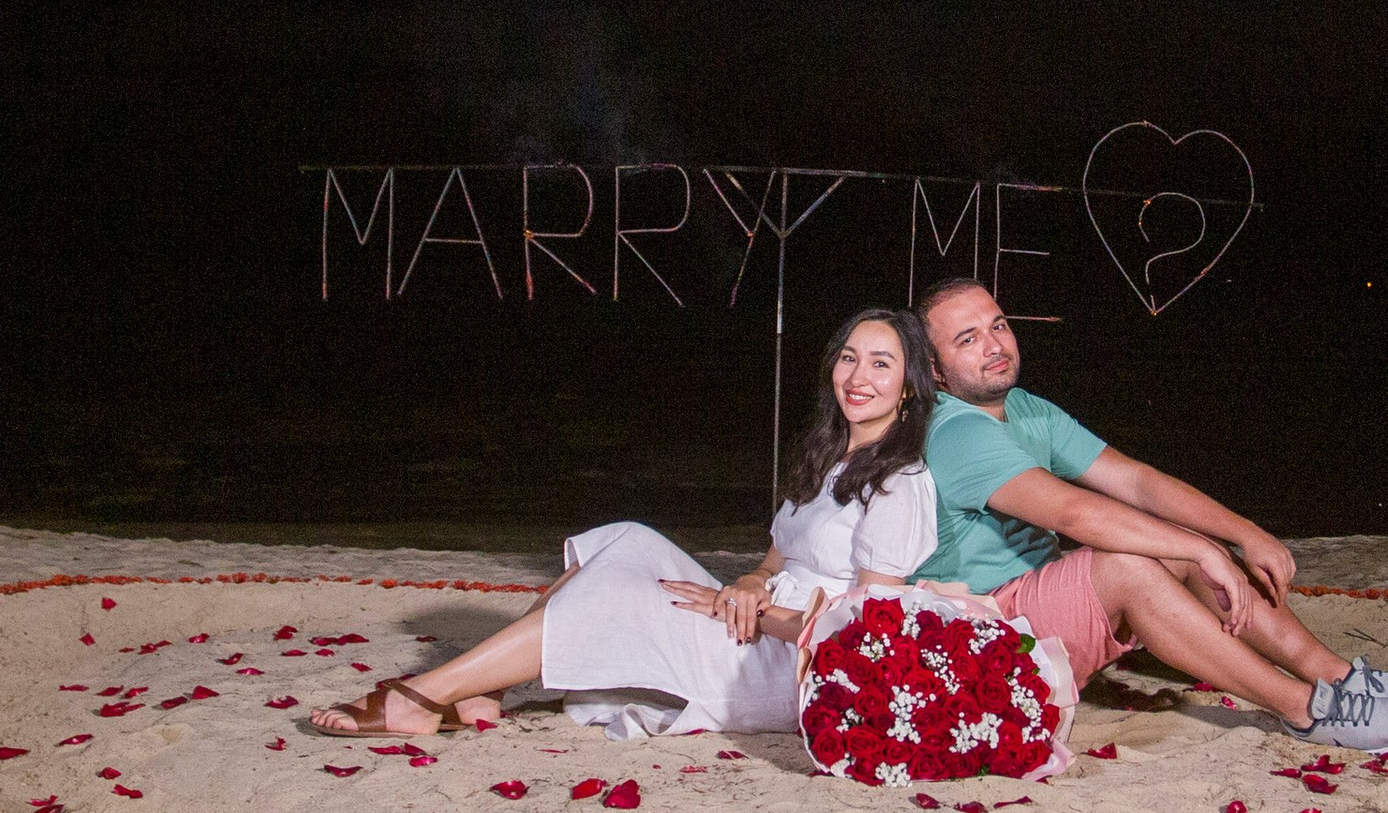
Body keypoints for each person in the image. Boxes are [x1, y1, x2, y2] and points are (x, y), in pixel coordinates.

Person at [310, 307, 938, 741]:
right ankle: (486, 691)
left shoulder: (900, 483)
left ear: (908, 385)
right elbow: (778, 559)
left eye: (882, 364)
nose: (859, 378)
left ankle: (424, 697)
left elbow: (864, 637)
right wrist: (747, 583)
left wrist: (752, 613)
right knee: (626, 539)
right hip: (757, 614)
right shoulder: (828, 456)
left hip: (789, 663)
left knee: (620, 593)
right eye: (850, 359)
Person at [911, 278, 1388, 751]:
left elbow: (1136, 480)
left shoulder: (1027, 409)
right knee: (1136, 560)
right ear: (934, 370)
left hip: (1036, 606)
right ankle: (1308, 710)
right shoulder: (955, 430)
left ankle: (1340, 678)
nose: (994, 346)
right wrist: (1200, 548)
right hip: (983, 632)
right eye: (969, 339)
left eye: (998, 325)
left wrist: (1244, 534)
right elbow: (1074, 514)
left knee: (1172, 539)